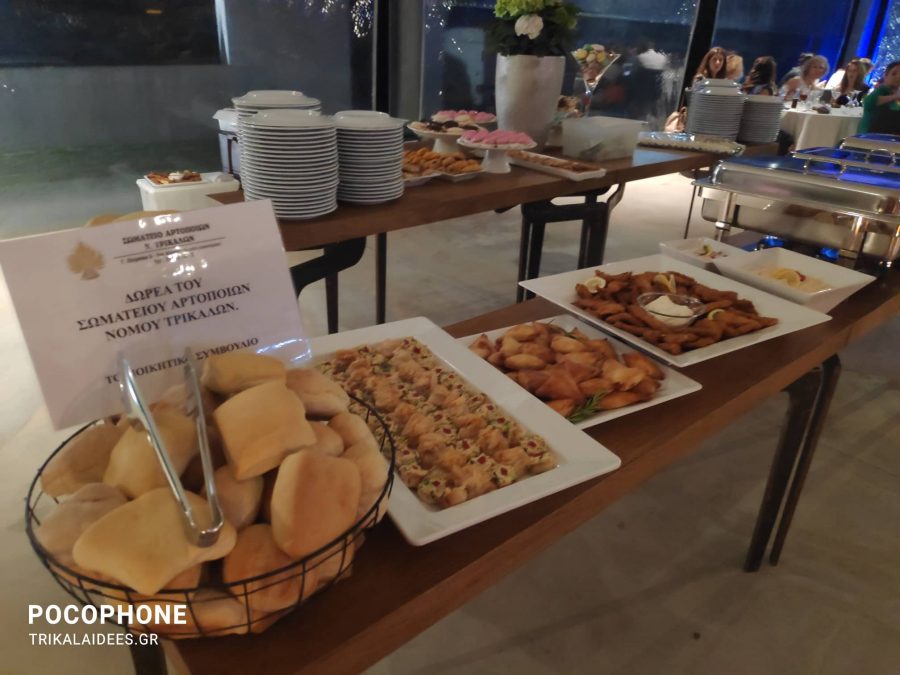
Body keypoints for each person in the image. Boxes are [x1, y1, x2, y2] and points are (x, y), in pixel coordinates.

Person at [858, 60, 900, 134]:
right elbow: (869, 102)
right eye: (894, 74)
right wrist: (895, 97)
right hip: (868, 137)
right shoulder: (880, 91)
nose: (898, 77)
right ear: (885, 76)